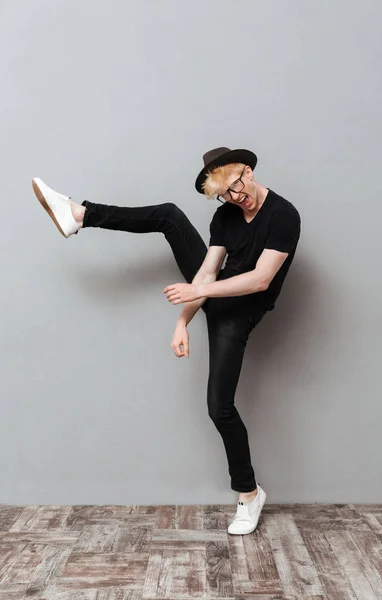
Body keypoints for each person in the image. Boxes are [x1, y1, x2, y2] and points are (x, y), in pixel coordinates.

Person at [32, 146, 301, 535]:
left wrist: (197, 296)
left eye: (236, 184)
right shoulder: (226, 216)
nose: (234, 196)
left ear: (248, 170)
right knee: (170, 215)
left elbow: (261, 280)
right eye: (224, 194)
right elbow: (207, 275)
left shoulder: (283, 215)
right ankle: (79, 214)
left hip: (242, 312)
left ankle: (249, 494)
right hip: (218, 296)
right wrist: (182, 323)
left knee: (218, 408)